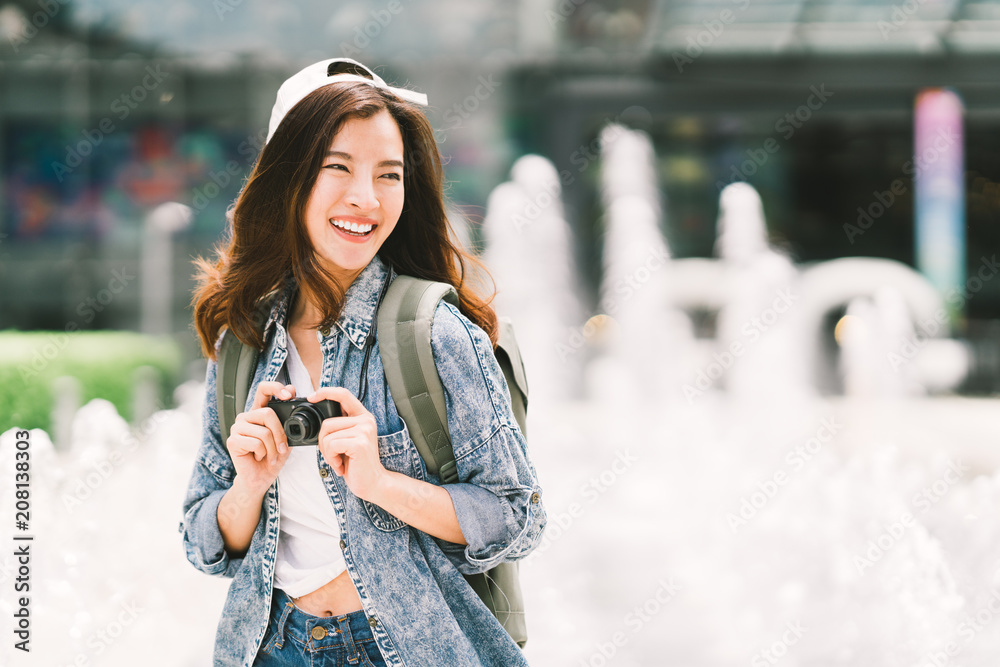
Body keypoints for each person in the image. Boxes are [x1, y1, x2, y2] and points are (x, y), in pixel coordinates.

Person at [179, 58, 547, 667]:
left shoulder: (434, 332)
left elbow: (516, 517)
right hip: (270, 645)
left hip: (407, 648)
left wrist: (378, 483)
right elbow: (204, 540)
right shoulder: (243, 336)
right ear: (288, 179)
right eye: (338, 168)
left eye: (389, 174)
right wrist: (249, 484)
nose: (366, 198)